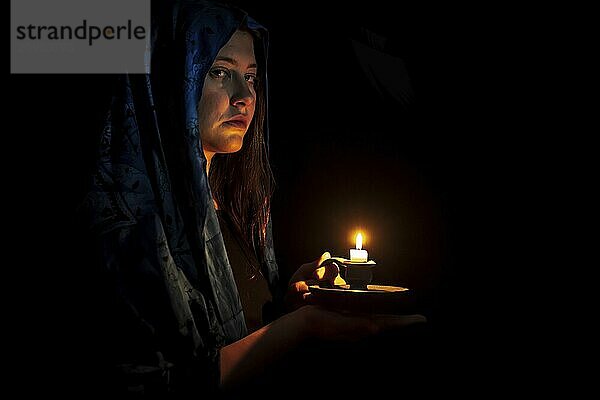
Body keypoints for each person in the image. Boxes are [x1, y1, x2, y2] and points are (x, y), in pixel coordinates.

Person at [78, 0, 426, 397]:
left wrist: (287, 307)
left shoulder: (230, 209)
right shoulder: (125, 229)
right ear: (172, 82)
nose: (244, 95)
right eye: (220, 72)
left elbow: (233, 338)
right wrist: (302, 328)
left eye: (251, 77)